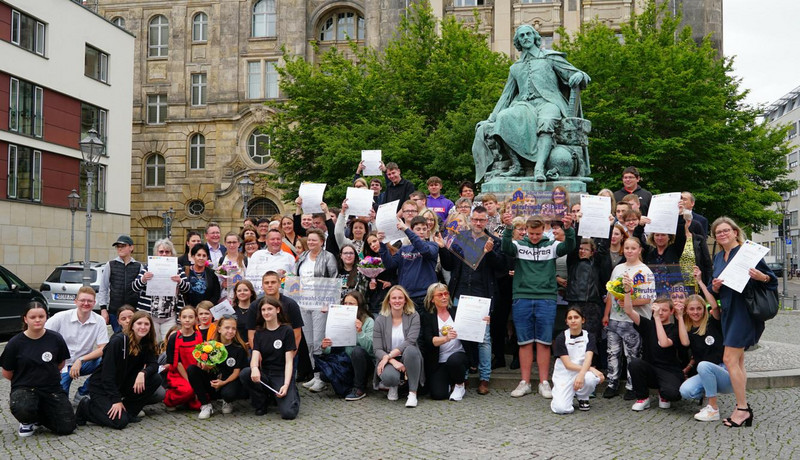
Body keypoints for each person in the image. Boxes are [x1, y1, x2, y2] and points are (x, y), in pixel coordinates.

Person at [473, 25, 590, 182]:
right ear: (518, 41)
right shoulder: (515, 67)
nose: (525, 37)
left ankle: (539, 167)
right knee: (503, 117)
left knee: (546, 121)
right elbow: (506, 96)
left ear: (535, 38)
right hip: (525, 105)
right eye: (521, 36)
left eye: (528, 34)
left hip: (549, 102)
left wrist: (579, 75)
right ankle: (516, 166)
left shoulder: (549, 57)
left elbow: (578, 74)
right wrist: (491, 118)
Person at [501, 211, 576, 399]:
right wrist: (509, 228)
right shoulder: (518, 245)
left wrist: (569, 229)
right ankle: (524, 382)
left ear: (544, 231)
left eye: (538, 233)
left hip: (546, 297)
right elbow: (506, 248)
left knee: (543, 342)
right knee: (524, 341)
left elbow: (570, 246)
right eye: (531, 233)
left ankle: (544, 382)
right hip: (522, 296)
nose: (534, 237)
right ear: (526, 230)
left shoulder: (552, 246)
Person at [709, 217, 776, 427]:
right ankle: (741, 406)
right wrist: (715, 287)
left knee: (729, 359)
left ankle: (743, 408)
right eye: (718, 232)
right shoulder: (719, 257)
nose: (722, 234)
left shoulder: (748, 252)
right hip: (728, 311)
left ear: (735, 232)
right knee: (738, 362)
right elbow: (715, 288)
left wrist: (760, 277)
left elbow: (771, 279)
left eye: (726, 230)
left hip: (744, 312)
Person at [436, 205, 507, 395]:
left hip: (483, 296)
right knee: (461, 335)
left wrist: (490, 252)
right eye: (475, 219)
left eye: (481, 220)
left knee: (484, 339)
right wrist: (443, 249)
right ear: (471, 219)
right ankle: (464, 375)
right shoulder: (461, 238)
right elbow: (450, 266)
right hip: (460, 294)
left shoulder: (494, 241)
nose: (478, 223)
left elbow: (501, 268)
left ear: (486, 221)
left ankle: (484, 378)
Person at [1, 301, 75, 437]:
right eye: (33, 317)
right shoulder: (15, 343)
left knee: (66, 427)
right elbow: (6, 373)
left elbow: (60, 363)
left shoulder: (56, 338)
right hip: (25, 388)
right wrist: (25, 379)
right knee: (23, 406)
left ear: (46, 317)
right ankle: (27, 420)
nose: (37, 320)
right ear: (25, 319)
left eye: (41, 316)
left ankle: (41, 415)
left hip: (51, 389)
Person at [76, 312, 162, 430]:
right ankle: (86, 408)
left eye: (146, 324)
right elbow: (107, 375)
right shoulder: (118, 341)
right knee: (120, 422)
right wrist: (116, 400)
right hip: (102, 387)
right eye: (139, 323)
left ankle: (129, 412)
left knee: (155, 378)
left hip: (122, 383)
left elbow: (153, 364)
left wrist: (143, 373)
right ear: (132, 325)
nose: (143, 327)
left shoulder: (147, 342)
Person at [602, 236, 655, 399]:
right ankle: (612, 383)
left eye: (633, 248)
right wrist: (606, 314)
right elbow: (610, 293)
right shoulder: (618, 268)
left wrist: (628, 303)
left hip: (633, 320)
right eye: (626, 248)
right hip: (615, 319)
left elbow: (648, 298)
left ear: (640, 250)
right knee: (612, 352)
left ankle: (633, 385)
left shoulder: (645, 271)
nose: (629, 251)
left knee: (632, 354)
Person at [677, 274, 730, 421]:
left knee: (704, 365)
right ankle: (708, 391)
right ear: (687, 310)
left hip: (723, 370)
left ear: (704, 309)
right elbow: (685, 343)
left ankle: (713, 408)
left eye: (699, 308)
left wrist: (700, 281)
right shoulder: (688, 327)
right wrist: (680, 316)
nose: (695, 312)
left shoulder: (712, 322)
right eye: (692, 309)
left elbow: (714, 305)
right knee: (685, 391)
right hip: (704, 372)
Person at [44, 286, 108, 404]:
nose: (86, 303)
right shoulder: (61, 317)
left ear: (94, 303)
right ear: (76, 301)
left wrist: (80, 360)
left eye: (89, 301)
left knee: (107, 361)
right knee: (59, 401)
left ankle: (83, 392)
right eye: (82, 300)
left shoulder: (99, 321)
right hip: (62, 365)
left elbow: (103, 348)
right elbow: (43, 336)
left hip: (84, 363)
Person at [622, 290, 683, 412]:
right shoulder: (647, 324)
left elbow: (664, 343)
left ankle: (663, 394)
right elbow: (628, 310)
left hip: (669, 371)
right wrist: (627, 291)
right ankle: (643, 398)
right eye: (657, 310)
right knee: (634, 364)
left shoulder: (674, 329)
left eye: (664, 310)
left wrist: (656, 319)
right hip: (650, 368)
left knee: (673, 395)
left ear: (671, 311)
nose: (660, 313)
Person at [240, 297, 300, 419]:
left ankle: (292, 392)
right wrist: (255, 368)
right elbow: (255, 355)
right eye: (263, 310)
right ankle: (262, 403)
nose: (266, 312)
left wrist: (286, 384)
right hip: (266, 374)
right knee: (246, 373)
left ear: (277, 310)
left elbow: (289, 362)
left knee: (288, 414)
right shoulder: (259, 333)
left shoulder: (287, 331)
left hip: (281, 375)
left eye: (269, 309)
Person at [295, 228, 338, 391]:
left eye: (315, 240)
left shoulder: (328, 257)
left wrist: (328, 302)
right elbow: (295, 277)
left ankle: (322, 377)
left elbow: (333, 280)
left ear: (322, 241)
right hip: (303, 303)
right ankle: (316, 374)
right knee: (309, 342)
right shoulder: (303, 257)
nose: (311, 242)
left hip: (320, 305)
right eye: (310, 240)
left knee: (319, 342)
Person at [187, 316, 250, 419]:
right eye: (227, 328)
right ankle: (205, 405)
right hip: (212, 382)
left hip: (228, 382)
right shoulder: (210, 345)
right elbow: (203, 367)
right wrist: (207, 366)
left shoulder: (239, 348)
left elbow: (236, 372)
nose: (230, 331)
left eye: (233, 328)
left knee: (229, 393)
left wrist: (223, 383)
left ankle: (227, 401)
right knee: (192, 370)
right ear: (219, 329)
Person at [318, 291, 375, 401]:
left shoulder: (368, 321)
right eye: (346, 303)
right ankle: (347, 382)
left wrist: (360, 332)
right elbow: (334, 346)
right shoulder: (338, 319)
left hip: (363, 362)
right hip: (345, 360)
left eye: (351, 304)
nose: (347, 306)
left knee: (357, 351)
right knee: (324, 375)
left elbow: (371, 348)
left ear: (359, 305)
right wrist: (325, 347)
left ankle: (359, 388)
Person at [373, 286, 424, 407]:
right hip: (389, 359)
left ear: (405, 300)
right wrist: (391, 360)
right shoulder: (380, 319)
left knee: (411, 350)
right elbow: (377, 348)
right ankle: (393, 385)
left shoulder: (414, 316)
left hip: (409, 356)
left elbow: (410, 341)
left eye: (400, 298)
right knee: (389, 377)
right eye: (394, 298)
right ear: (388, 301)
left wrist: (389, 356)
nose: (397, 301)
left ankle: (412, 394)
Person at [132, 238, 190, 342]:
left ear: (171, 254)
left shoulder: (178, 268)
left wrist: (180, 281)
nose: (164, 254)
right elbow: (134, 287)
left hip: (170, 315)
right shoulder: (148, 267)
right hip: (149, 314)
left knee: (168, 342)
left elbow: (187, 289)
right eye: (161, 251)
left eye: (167, 252)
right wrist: (143, 279)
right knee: (151, 343)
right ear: (156, 253)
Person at [565, 237, 611, 367]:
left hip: (592, 304)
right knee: (574, 336)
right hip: (574, 303)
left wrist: (610, 226)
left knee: (591, 337)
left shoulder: (596, 264)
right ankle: (573, 365)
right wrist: (578, 224)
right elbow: (573, 247)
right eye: (581, 248)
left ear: (592, 252)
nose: (582, 251)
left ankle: (591, 366)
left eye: (586, 249)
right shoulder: (573, 262)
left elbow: (603, 249)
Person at [379, 216, 439, 314]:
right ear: (412, 230)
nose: (422, 232)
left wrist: (406, 230)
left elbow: (424, 249)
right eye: (418, 229)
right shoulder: (404, 249)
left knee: (427, 328)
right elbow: (390, 265)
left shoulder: (433, 246)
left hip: (426, 297)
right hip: (407, 297)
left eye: (424, 229)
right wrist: (382, 244)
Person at [550, 306, 604, 414]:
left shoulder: (590, 337)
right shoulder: (561, 338)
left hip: (582, 371)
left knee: (590, 379)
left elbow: (588, 358)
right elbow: (568, 365)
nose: (573, 320)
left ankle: (583, 397)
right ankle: (566, 395)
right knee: (561, 409)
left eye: (576, 317)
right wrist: (591, 370)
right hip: (564, 374)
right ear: (566, 321)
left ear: (582, 320)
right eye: (570, 318)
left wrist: (582, 373)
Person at [420, 283, 469, 401]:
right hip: (439, 360)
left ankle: (459, 385)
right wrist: (446, 338)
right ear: (432, 299)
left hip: (458, 355)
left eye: (446, 294)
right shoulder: (427, 316)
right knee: (438, 395)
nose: (444, 297)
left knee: (454, 361)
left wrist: (483, 321)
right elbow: (429, 340)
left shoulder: (457, 312)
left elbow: (473, 326)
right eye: (440, 295)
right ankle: (449, 382)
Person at [97, 235, 142, 333]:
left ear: (131, 247)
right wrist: (103, 309)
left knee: (133, 337)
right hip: (114, 310)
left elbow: (142, 289)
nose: (120, 248)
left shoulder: (138, 266)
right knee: (118, 337)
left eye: (123, 246)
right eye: (118, 246)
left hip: (133, 310)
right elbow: (103, 288)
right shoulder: (111, 265)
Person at [163, 307, 202, 410]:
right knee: (188, 390)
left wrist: (196, 378)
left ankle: (187, 400)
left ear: (196, 319)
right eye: (184, 317)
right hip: (178, 373)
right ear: (179, 318)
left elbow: (199, 359)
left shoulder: (199, 336)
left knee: (197, 405)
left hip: (194, 372)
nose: (187, 320)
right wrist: (190, 381)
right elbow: (177, 363)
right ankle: (169, 398)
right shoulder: (174, 337)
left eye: (191, 317)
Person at [364, 232, 397, 314]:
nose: (372, 245)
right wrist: (371, 286)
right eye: (370, 244)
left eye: (375, 241)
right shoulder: (369, 260)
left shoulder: (395, 254)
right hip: (377, 303)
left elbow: (402, 275)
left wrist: (391, 283)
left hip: (393, 299)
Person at [218, 232, 246, 300]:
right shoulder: (222, 260)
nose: (232, 245)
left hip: (241, 296)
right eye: (229, 242)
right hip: (226, 296)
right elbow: (217, 281)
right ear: (225, 244)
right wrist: (222, 284)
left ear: (239, 243)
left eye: (234, 242)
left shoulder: (245, 259)